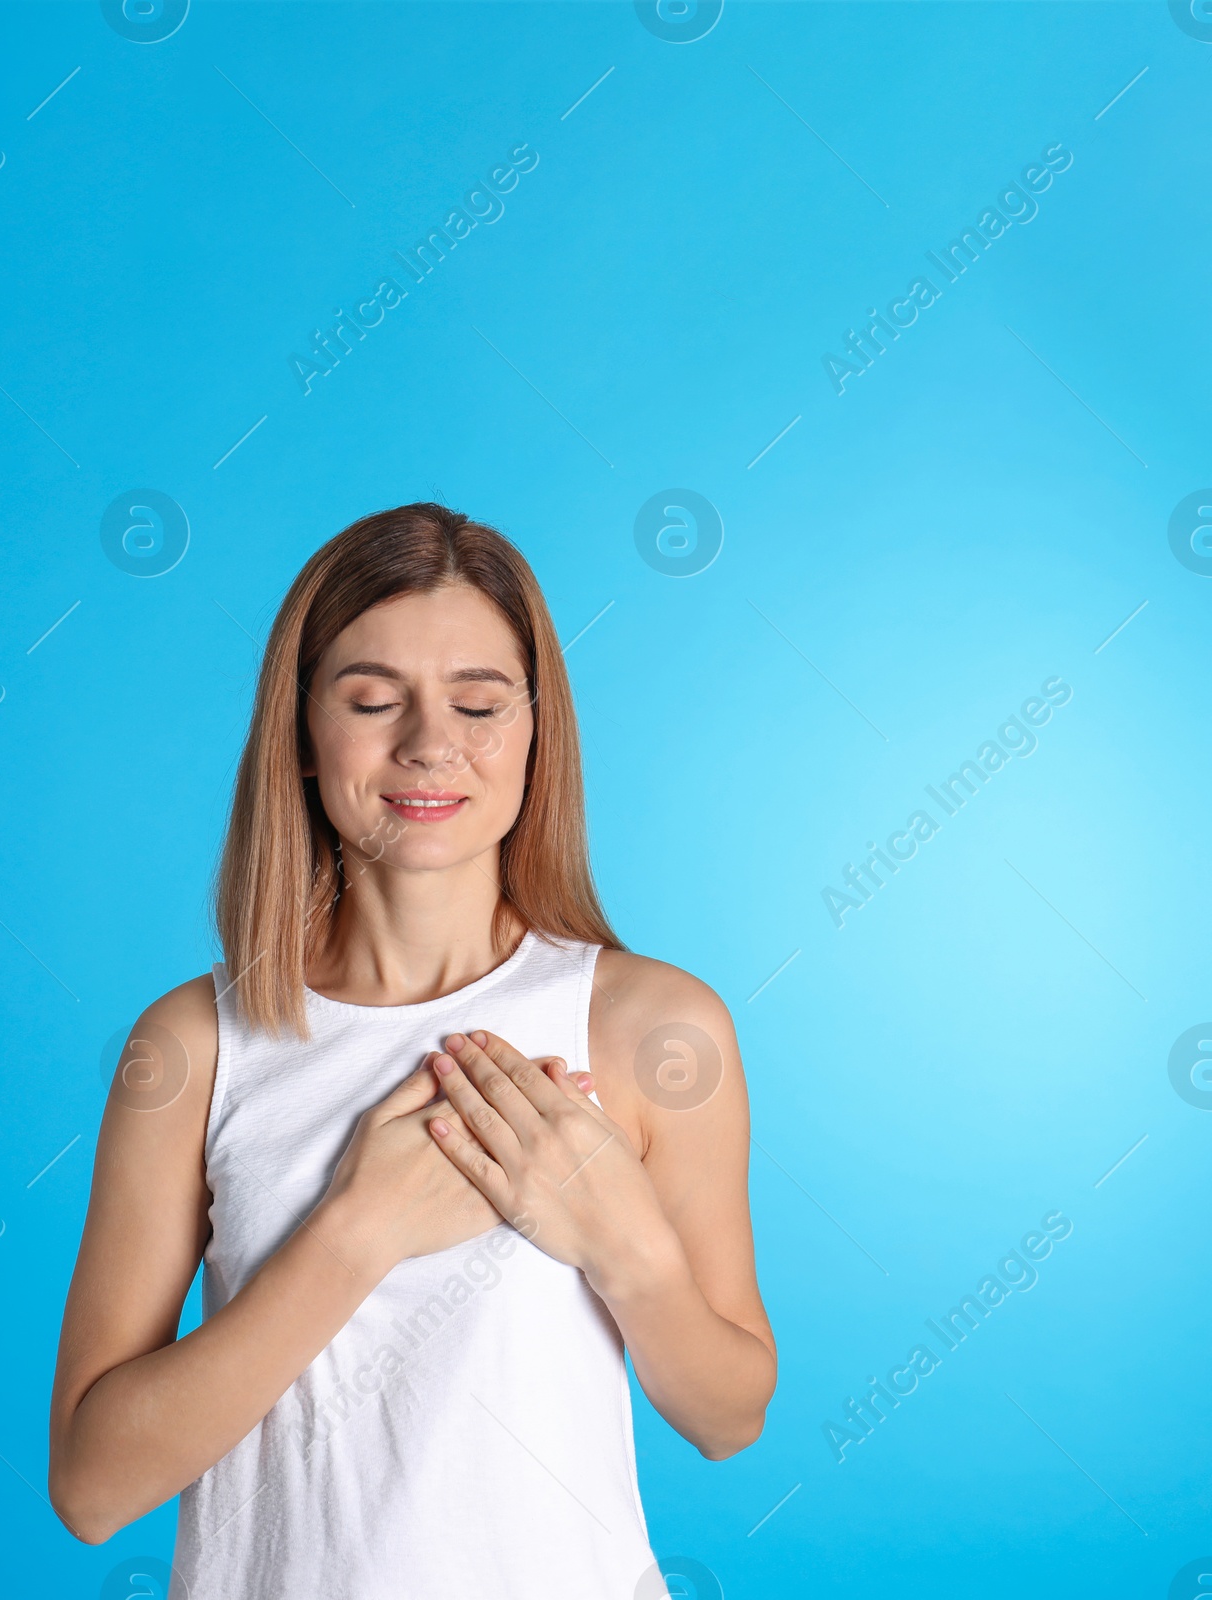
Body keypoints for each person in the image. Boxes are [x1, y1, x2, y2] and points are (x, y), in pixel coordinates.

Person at [48, 503, 776, 1597]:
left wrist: (624, 1242)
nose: (430, 743)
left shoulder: (652, 1027)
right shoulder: (193, 1045)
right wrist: (357, 1230)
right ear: (301, 729)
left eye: (478, 702)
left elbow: (728, 1416)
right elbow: (93, 1487)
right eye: (373, 699)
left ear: (537, 730)